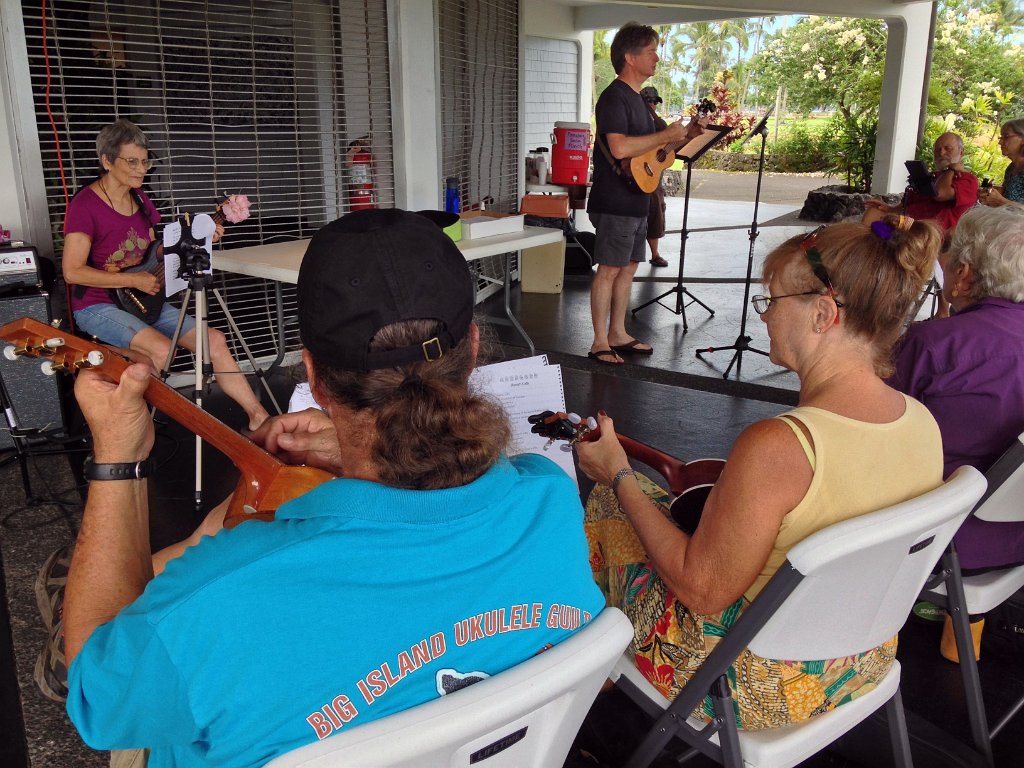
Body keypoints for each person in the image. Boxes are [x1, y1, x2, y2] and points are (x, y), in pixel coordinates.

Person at [55, 209, 604, 767]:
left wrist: (117, 459)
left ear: (312, 375)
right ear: (474, 347)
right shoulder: (550, 500)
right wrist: (353, 453)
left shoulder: (226, 600)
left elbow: (96, 700)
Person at [578, 215, 944, 729]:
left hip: (754, 683)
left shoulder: (781, 446)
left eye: (772, 301)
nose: (765, 317)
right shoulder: (922, 423)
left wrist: (616, 472)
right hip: (865, 657)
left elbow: (702, 592)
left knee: (612, 503)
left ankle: (594, 676)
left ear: (822, 314)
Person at [62, 118, 269, 431]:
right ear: (106, 161)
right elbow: (72, 271)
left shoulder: (141, 200)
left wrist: (200, 237)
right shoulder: (85, 206)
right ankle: (133, 428)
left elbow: (155, 251)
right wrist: (131, 279)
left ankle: (260, 419)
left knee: (214, 340)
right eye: (131, 161)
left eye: (145, 161)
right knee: (158, 351)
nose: (140, 169)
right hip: (97, 305)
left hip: (143, 301)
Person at [888, 206, 1024, 662]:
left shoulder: (936, 343)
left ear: (963, 274)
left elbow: (873, 432)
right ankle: (962, 637)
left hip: (945, 540)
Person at [586, 22, 704, 365]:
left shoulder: (641, 101)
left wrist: (689, 133)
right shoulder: (614, 97)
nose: (657, 57)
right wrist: (665, 133)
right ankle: (598, 341)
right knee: (609, 269)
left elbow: (663, 146)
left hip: (639, 198)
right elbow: (619, 147)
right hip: (616, 199)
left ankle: (618, 333)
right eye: (651, 51)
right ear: (630, 57)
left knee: (629, 267)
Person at [863, 132, 979, 233]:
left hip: (929, 231)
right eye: (937, 150)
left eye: (947, 148)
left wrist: (951, 169)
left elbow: (939, 194)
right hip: (908, 224)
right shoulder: (930, 176)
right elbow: (907, 206)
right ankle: (867, 254)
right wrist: (888, 208)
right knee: (873, 213)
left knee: (892, 226)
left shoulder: (968, 180)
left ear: (961, 152)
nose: (942, 153)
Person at [640, 86, 669, 268]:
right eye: (648, 101)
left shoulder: (659, 124)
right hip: (639, 176)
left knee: (657, 215)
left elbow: (665, 131)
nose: (652, 105)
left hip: (655, 178)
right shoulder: (637, 123)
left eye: (654, 102)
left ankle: (655, 254)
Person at [980, 117, 1024, 208]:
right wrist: (991, 193)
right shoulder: (1011, 168)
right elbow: (1011, 194)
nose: (1000, 142)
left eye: (1006, 137)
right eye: (1001, 137)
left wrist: (1000, 201)